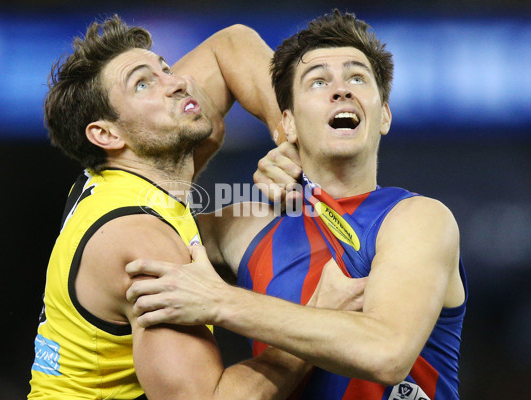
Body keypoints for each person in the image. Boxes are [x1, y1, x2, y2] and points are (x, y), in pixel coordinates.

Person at [126, 9, 467, 399]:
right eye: (318, 81)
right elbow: (138, 204)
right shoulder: (241, 227)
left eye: (358, 77)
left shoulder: (418, 219)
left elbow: (386, 352)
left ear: (384, 115)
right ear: (286, 121)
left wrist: (220, 302)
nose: (342, 90)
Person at [27, 14, 367, 400]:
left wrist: (293, 140)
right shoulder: (142, 244)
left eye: (165, 68)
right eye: (143, 83)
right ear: (106, 134)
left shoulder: (135, 157)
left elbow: (231, 45)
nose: (178, 83)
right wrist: (318, 320)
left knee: (238, 219)